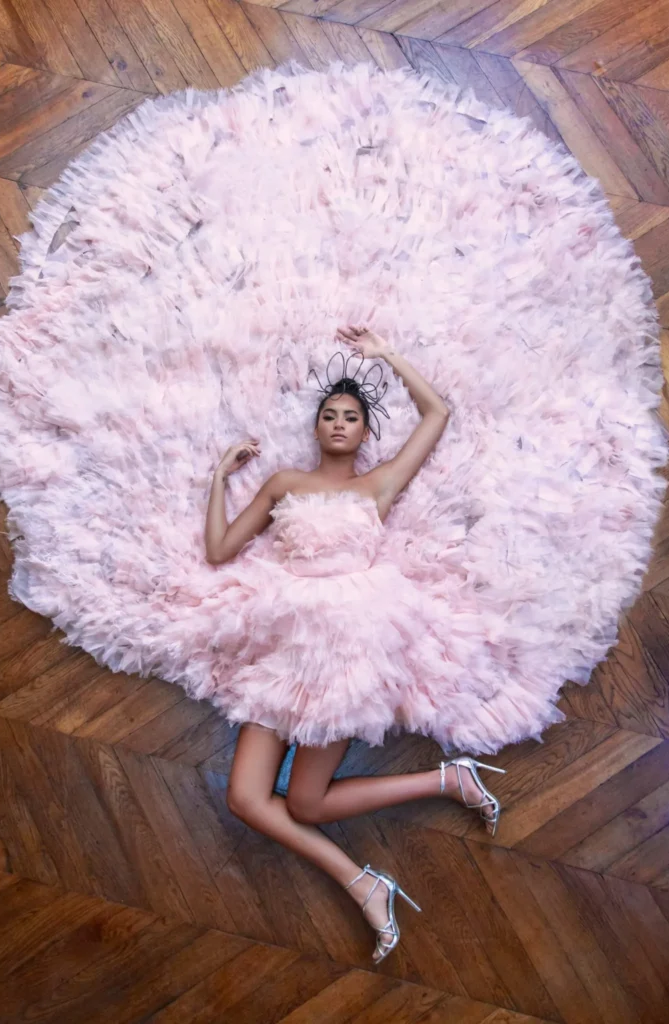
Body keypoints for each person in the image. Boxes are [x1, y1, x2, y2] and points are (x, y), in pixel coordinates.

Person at [204, 324, 506, 963]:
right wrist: (217, 479)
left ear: (366, 432)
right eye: (329, 415)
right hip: (286, 648)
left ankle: (443, 788)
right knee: (245, 797)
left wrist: (387, 355)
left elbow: (439, 412)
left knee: (308, 802)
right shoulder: (284, 483)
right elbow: (220, 550)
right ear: (317, 428)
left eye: (351, 417)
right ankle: (366, 874)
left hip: (347, 647)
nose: (339, 423)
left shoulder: (380, 485)